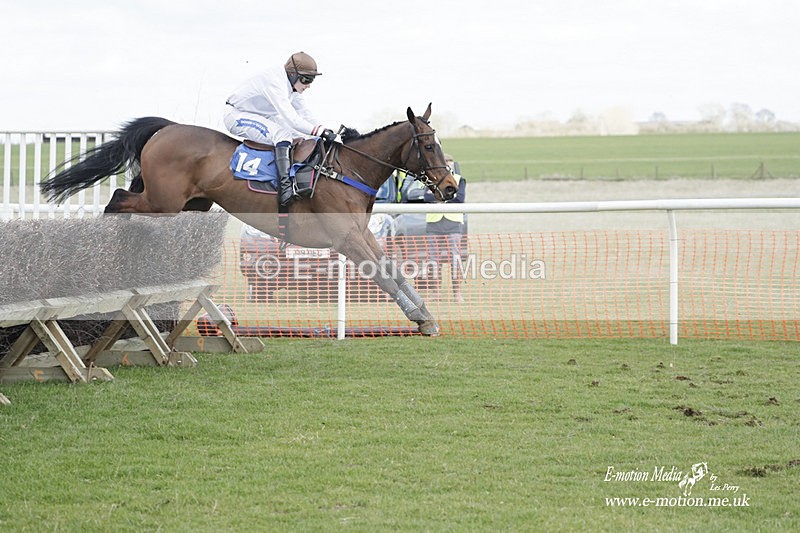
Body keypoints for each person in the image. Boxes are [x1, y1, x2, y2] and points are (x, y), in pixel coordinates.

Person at [223, 51, 339, 207]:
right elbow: (291, 119)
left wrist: (324, 130)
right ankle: (284, 189)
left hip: (261, 114)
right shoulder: (274, 81)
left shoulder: (292, 86)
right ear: (292, 74)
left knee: (301, 136)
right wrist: (320, 132)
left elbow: (304, 114)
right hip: (237, 115)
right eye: (306, 80)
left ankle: (298, 179)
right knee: (282, 135)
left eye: (311, 80)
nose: (308, 85)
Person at [423, 154, 467, 302]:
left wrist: (440, 197)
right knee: (433, 261)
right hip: (434, 224)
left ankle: (457, 294)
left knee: (455, 259)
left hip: (453, 224)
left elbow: (460, 199)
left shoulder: (460, 180)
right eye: (446, 162)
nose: (448, 164)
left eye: (450, 162)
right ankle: (435, 293)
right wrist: (447, 197)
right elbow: (426, 197)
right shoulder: (431, 178)